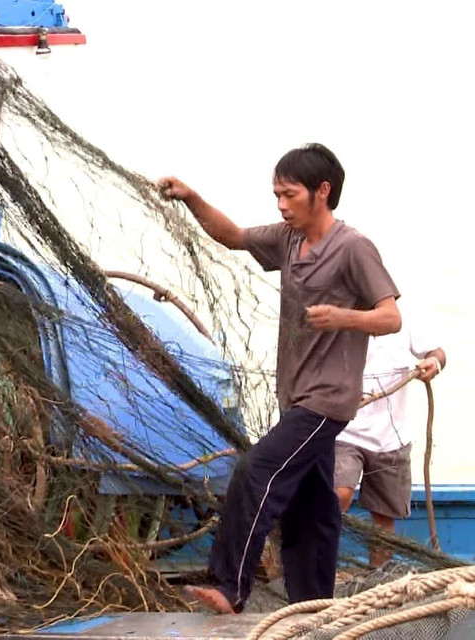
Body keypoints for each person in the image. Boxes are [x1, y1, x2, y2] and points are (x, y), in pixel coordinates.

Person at [159, 143, 401, 613]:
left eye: (289, 194)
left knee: (257, 470)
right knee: (312, 507)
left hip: (326, 400)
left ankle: (229, 587)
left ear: (322, 192)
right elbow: (232, 236)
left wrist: (342, 317)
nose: (281, 204)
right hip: (295, 395)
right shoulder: (288, 239)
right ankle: (314, 602)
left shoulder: (353, 248)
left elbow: (390, 317)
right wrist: (192, 198)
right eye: (276, 195)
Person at [335, 321, 446, 568]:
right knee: (338, 494)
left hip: (391, 440)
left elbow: (438, 353)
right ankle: (319, 573)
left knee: (384, 517)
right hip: (344, 432)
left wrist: (434, 363)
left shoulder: (404, 322)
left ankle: (376, 582)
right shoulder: (340, 317)